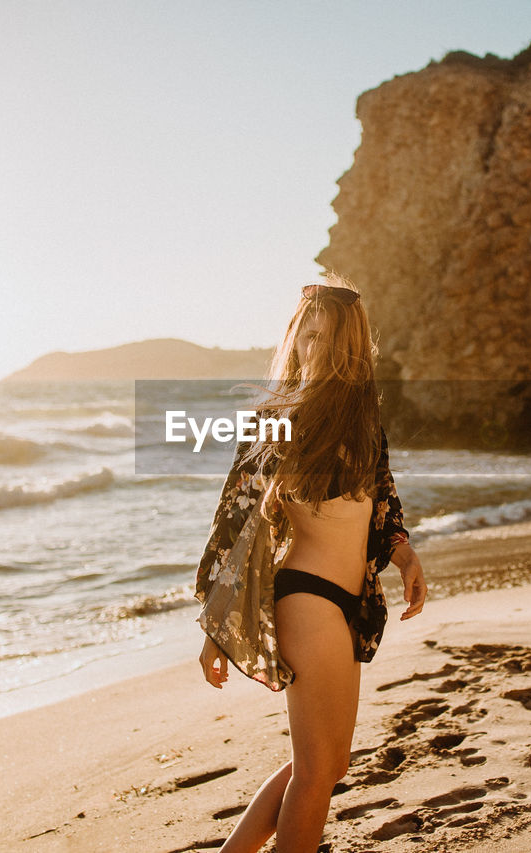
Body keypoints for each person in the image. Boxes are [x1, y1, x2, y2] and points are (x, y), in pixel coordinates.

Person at [194, 276, 427, 852]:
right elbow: (235, 522)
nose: (314, 351)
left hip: (352, 600)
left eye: (327, 340)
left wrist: (402, 550)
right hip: (309, 597)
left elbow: (382, 495)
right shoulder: (279, 417)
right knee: (317, 770)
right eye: (307, 338)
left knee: (329, 765)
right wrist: (215, 628)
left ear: (352, 346)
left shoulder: (362, 416)